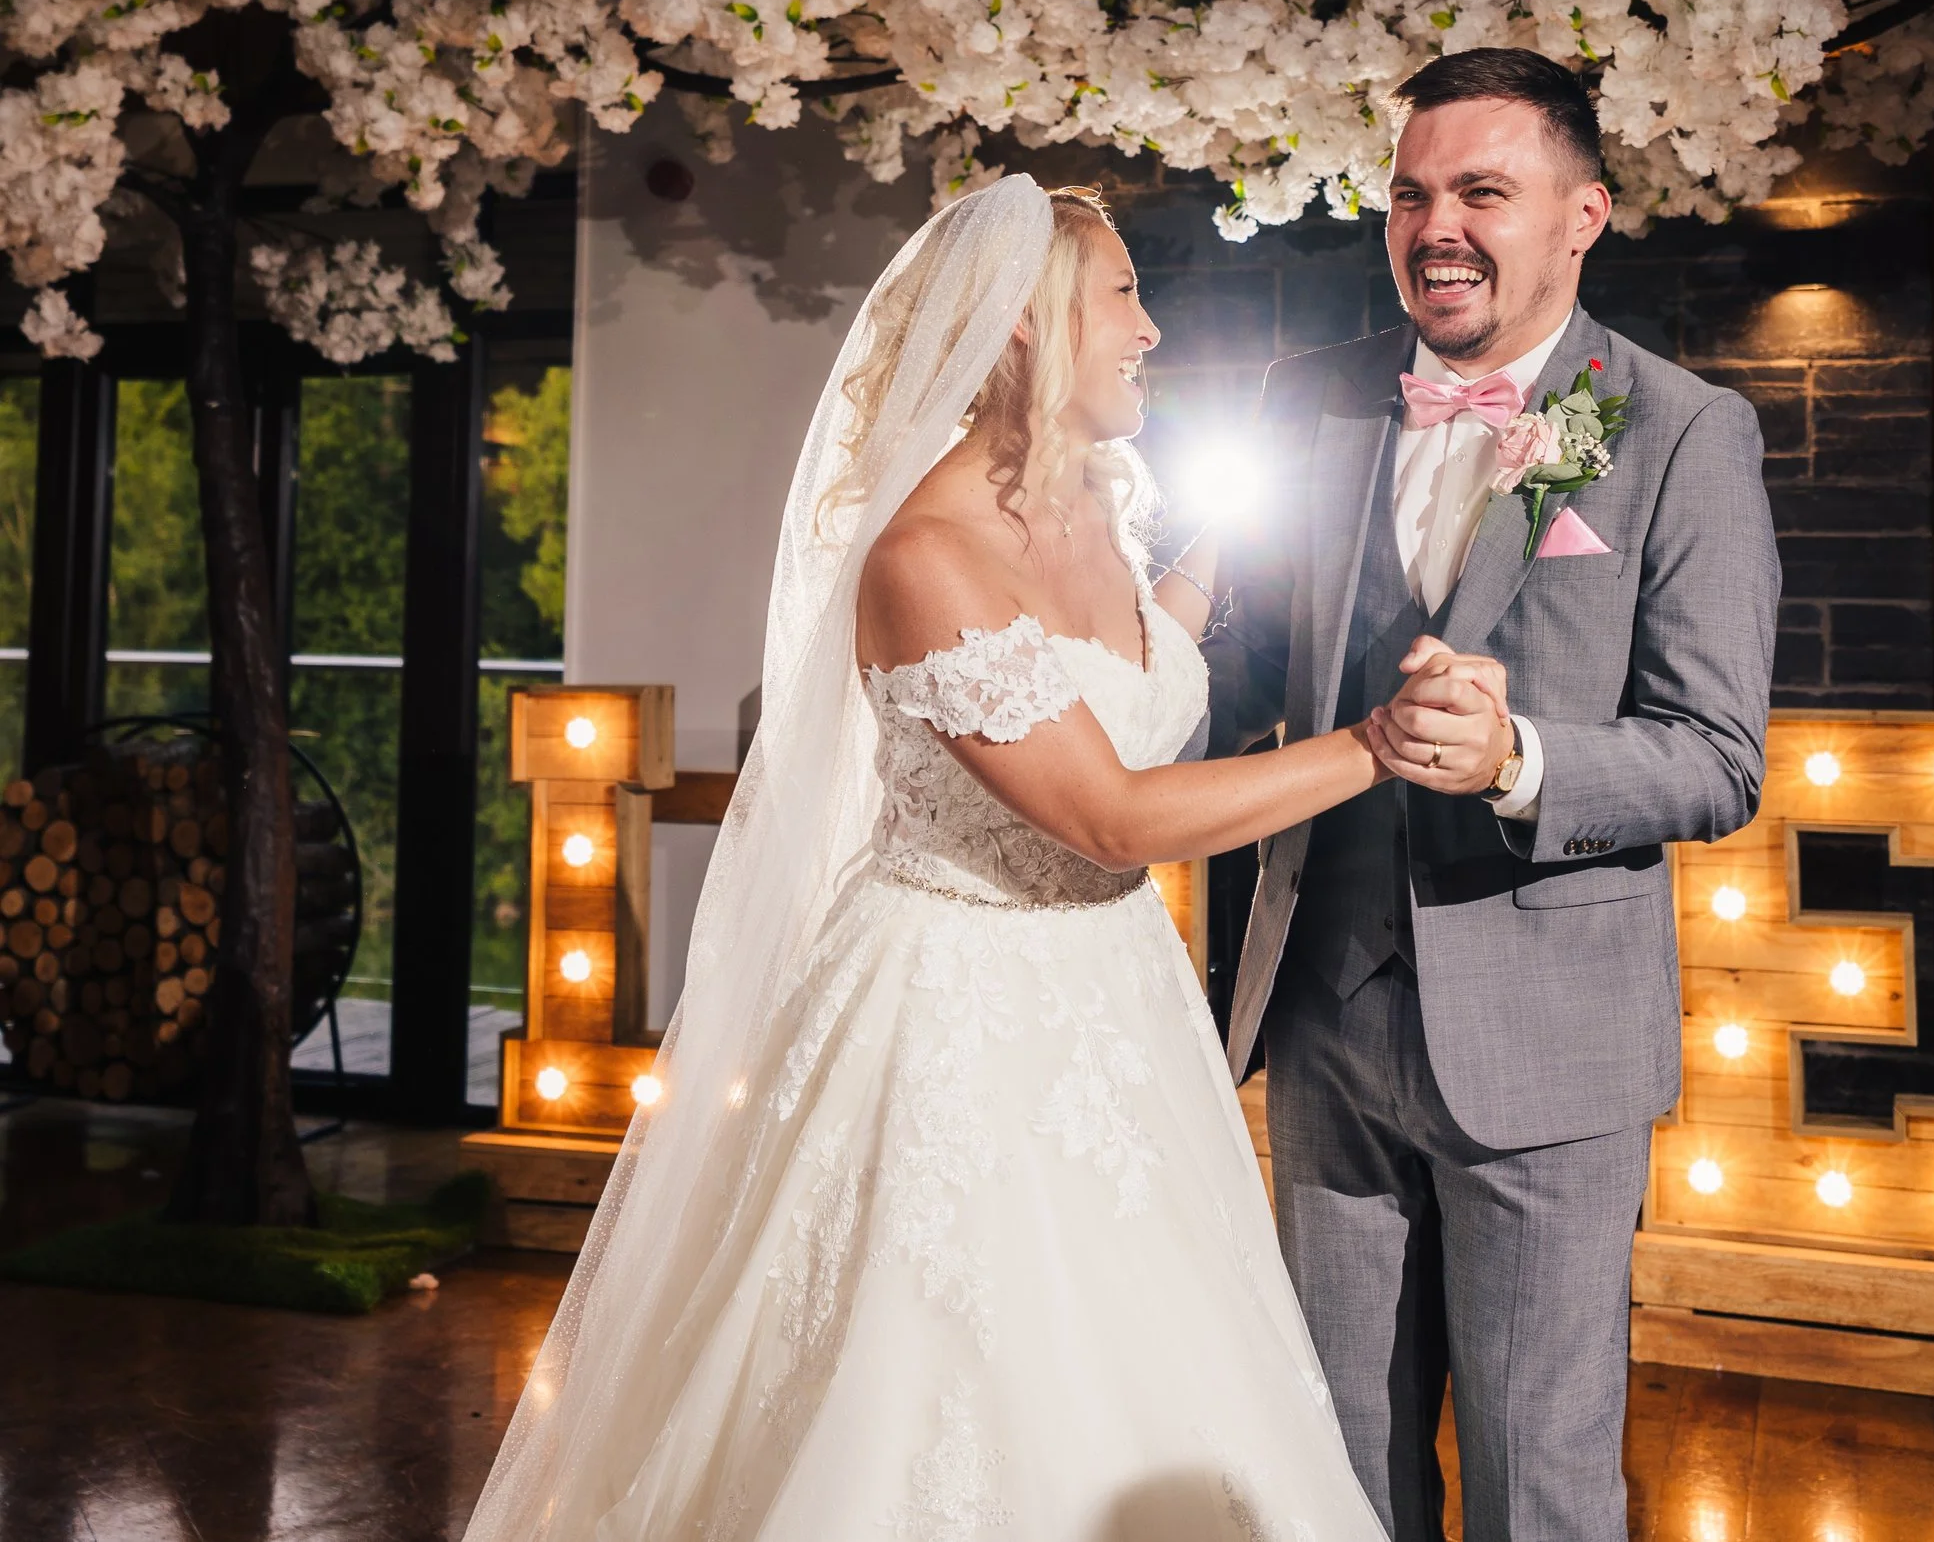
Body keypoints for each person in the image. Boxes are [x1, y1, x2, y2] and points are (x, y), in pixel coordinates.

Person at [461, 179, 1447, 1540]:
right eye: (1123, 297)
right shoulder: (921, 557)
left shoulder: (1109, 503)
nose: (1151, 331)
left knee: (1162, 1363)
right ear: (1028, 326)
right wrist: (1375, 746)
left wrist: (1268, 553)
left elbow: (1135, 662)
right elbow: (1108, 814)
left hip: (1122, 1007)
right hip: (954, 1017)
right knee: (953, 1378)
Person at [1208, 48, 1780, 1542]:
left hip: (1549, 1052)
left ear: (1582, 214)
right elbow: (1245, 668)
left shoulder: (1680, 430)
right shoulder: (1308, 399)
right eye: (1409, 193)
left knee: (1538, 1477)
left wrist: (1527, 759)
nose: (1434, 226)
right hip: (1325, 1018)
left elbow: (1719, 754)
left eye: (1481, 191)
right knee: (1331, 1454)